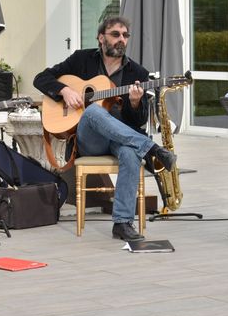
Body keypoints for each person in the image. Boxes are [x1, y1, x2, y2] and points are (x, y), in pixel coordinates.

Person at [33, 16, 177, 242]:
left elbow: (137, 120)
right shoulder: (81, 60)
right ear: (101, 37)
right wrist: (64, 91)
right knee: (92, 112)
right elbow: (41, 78)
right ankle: (152, 149)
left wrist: (136, 102)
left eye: (125, 35)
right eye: (116, 34)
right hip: (90, 140)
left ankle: (121, 223)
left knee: (130, 154)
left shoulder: (137, 73)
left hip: (121, 139)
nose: (122, 39)